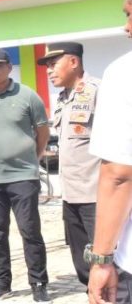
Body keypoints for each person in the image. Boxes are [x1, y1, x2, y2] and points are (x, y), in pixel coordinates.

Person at [0, 48, 51, 302]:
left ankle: (38, 282)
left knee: (30, 231)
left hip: (23, 176)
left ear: (9, 67)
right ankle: (1, 282)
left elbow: (42, 132)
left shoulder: (28, 95)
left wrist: (33, 159)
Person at [37, 41, 101, 287]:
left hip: (96, 195)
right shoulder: (63, 98)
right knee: (82, 263)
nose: (49, 71)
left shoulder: (98, 92)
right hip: (71, 195)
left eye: (54, 64)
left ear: (73, 62)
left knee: (108, 261)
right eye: (47, 66)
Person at [87, 0, 132, 304]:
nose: (126, 27)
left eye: (130, 15)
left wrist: (102, 260)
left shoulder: (123, 73)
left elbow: (119, 174)